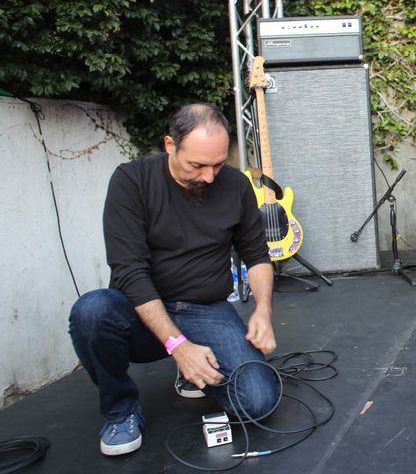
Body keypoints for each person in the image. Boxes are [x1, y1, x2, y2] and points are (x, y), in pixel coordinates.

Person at [68, 104, 279, 456]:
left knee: (258, 403)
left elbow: (256, 254)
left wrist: (263, 310)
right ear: (170, 145)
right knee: (91, 311)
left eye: (218, 164)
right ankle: (121, 410)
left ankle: (196, 368)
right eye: (197, 165)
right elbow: (129, 271)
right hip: (141, 314)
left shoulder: (236, 185)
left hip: (206, 309)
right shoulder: (131, 181)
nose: (209, 177)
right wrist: (178, 346)